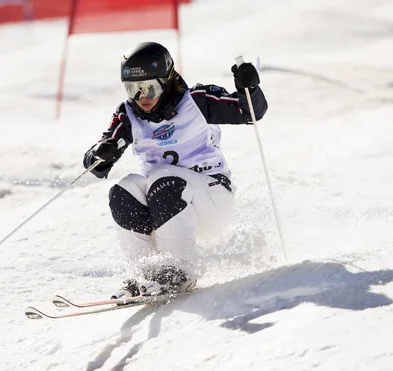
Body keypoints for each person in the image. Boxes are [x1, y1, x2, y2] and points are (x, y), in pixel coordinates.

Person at [83, 42, 267, 297]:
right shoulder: (128, 114)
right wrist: (102, 154)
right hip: (166, 208)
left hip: (210, 198)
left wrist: (250, 87)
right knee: (123, 190)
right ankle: (144, 274)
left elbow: (250, 111)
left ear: (166, 81)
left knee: (163, 177)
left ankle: (179, 271)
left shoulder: (196, 101)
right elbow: (96, 164)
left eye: (150, 87)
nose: (142, 97)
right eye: (133, 89)